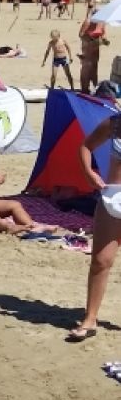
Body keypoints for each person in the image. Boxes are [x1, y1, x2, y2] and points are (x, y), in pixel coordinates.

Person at [71, 111, 121, 341]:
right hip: (113, 196)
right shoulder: (116, 122)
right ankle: (90, 318)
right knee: (101, 261)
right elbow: (85, 146)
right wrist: (88, 172)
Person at [78, 11, 107, 95]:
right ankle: (84, 89)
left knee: (94, 67)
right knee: (86, 68)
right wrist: (91, 40)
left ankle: (94, 87)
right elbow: (81, 35)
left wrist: (104, 40)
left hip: (96, 47)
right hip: (87, 47)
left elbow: (103, 34)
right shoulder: (87, 22)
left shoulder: (102, 23)